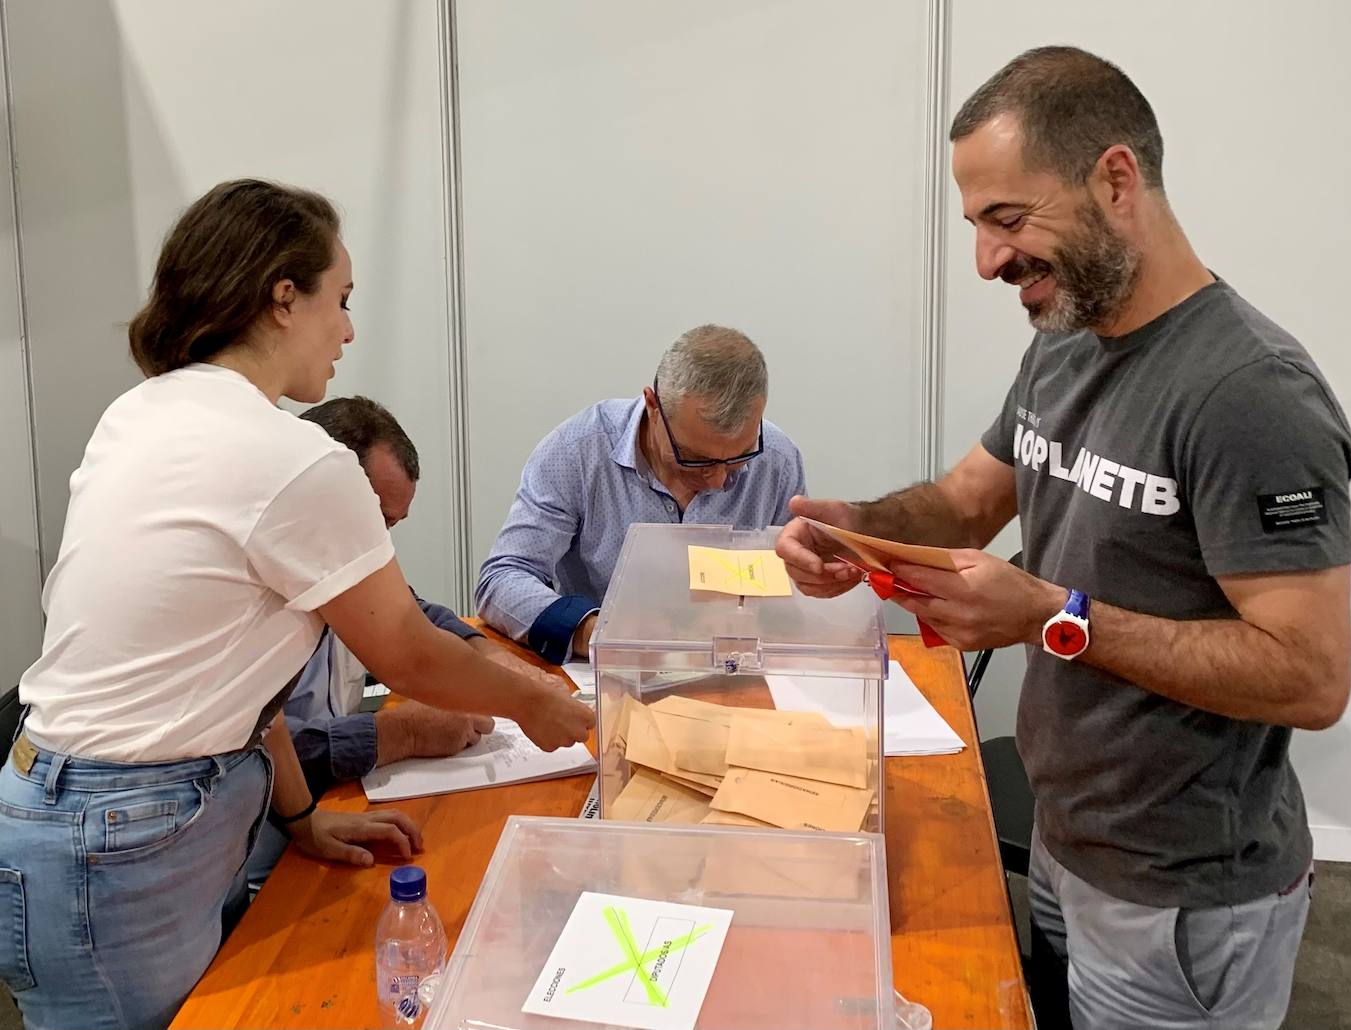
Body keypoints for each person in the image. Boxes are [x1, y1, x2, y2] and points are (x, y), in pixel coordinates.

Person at [778, 47, 1351, 1029]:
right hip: (1066, 835)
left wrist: (1056, 618)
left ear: (1115, 180)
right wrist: (860, 529)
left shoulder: (1251, 392)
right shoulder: (1064, 339)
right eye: (977, 225)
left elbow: (1310, 678)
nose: (988, 261)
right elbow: (967, 500)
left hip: (1181, 891)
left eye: (1008, 219)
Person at [0, 179, 592, 1030]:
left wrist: (302, 819)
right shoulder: (294, 457)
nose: (348, 329)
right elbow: (408, 655)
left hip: (80, 814)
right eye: (340, 300)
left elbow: (242, 668)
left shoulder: (144, 411)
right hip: (119, 841)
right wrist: (537, 700)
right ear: (285, 297)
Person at [244, 395, 549, 887]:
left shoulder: (344, 560)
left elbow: (414, 612)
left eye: (391, 526)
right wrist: (399, 734)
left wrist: (485, 653)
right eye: (375, 521)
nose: (379, 544)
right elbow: (247, 748)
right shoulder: (252, 588)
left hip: (319, 821)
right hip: (253, 861)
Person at [476, 325, 806, 664]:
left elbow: (794, 594)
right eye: (694, 459)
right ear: (653, 405)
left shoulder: (777, 460)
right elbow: (502, 579)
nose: (718, 481)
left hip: (732, 670)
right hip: (609, 675)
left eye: (739, 458)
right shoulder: (578, 451)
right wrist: (597, 632)